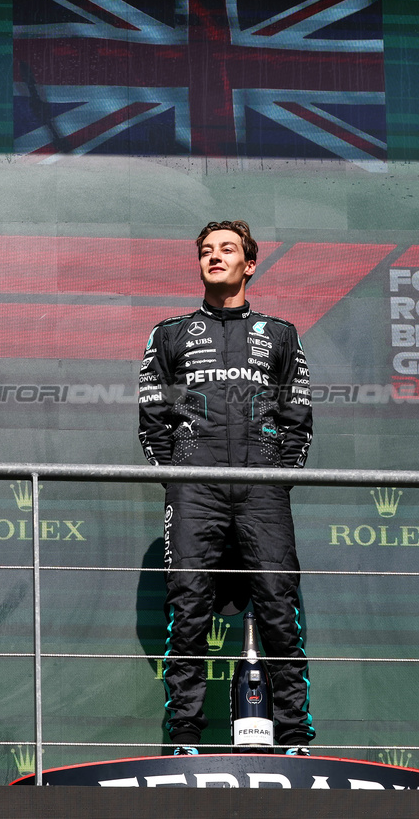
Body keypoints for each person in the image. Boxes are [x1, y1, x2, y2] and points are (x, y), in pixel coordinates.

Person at [138, 220, 314, 754]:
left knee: (279, 606)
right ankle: (186, 736)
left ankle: (293, 738)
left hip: (262, 489)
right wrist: (183, 476)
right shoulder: (169, 333)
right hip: (196, 489)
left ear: (250, 263)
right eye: (206, 251)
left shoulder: (281, 334)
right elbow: (152, 419)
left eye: (227, 250)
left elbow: (298, 418)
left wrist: (274, 478)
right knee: (188, 605)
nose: (215, 257)